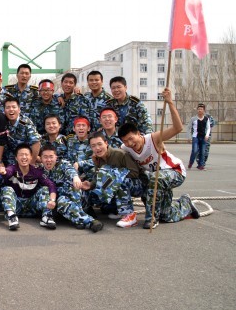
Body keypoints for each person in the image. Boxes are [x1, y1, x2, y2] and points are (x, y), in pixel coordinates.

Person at [119, 88, 199, 229]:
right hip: (155, 180)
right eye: (125, 141)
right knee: (166, 216)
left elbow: (177, 128)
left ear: (138, 134)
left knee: (155, 177)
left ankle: (151, 218)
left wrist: (170, 103)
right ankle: (185, 203)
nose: (130, 143)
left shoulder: (153, 138)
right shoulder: (125, 148)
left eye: (131, 139)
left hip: (175, 172)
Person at [78, 132, 143, 228]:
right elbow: (100, 177)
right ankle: (115, 209)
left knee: (120, 181)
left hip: (137, 185)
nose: (97, 148)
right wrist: (91, 184)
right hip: (116, 185)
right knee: (94, 193)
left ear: (106, 143)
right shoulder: (98, 158)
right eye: (93, 146)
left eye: (99, 144)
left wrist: (113, 174)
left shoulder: (120, 154)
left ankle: (129, 215)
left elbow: (135, 173)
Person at [39, 145, 103, 232]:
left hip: (75, 201)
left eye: (51, 157)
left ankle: (90, 222)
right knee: (53, 195)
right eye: (45, 157)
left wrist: (75, 178)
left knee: (68, 193)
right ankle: (83, 220)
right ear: (41, 158)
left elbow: (70, 170)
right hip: (57, 204)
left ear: (56, 157)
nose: (48, 160)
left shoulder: (63, 164)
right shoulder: (39, 170)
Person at [0, 144, 57, 230]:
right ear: (16, 158)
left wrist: (52, 200)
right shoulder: (12, 168)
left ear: (31, 157)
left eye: (26, 155)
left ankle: (46, 217)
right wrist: (3, 171)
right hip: (16, 207)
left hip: (32, 207)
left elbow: (51, 185)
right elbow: (8, 172)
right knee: (7, 189)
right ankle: (12, 217)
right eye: (21, 155)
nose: (24, 157)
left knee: (44, 189)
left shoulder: (36, 172)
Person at [3, 96, 40, 166]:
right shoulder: (3, 121)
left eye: (14, 107)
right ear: (4, 110)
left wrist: (32, 162)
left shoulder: (26, 123)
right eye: (8, 107)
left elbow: (36, 142)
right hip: (11, 157)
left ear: (19, 109)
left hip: (25, 156)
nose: (11, 109)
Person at [188, 103, 211, 170]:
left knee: (202, 152)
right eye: (198, 109)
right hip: (195, 137)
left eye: (201, 109)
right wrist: (189, 137)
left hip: (203, 137)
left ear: (204, 110)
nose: (200, 110)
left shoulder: (206, 119)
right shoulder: (193, 119)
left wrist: (207, 135)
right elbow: (188, 128)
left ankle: (201, 165)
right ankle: (191, 162)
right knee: (195, 150)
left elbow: (208, 128)